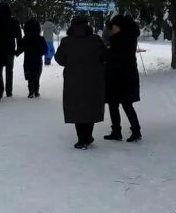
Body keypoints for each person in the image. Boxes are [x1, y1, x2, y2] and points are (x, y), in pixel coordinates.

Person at [54, 15, 107, 149]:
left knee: (77, 107)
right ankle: (88, 136)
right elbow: (105, 56)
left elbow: (60, 60)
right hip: (94, 79)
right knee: (90, 106)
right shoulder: (95, 40)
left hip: (73, 80)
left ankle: (82, 139)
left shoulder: (67, 41)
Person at [104, 14, 142, 142]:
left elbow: (116, 57)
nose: (112, 29)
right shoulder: (125, 37)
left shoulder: (121, 39)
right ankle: (118, 131)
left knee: (125, 104)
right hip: (123, 75)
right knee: (116, 104)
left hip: (123, 75)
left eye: (113, 27)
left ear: (120, 27)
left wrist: (107, 52)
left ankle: (134, 130)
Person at [0, 1, 23, 98]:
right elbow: (19, 37)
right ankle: (9, 91)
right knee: (9, 71)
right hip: (10, 50)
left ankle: (0, 89)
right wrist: (18, 50)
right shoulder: (14, 22)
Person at [19, 18, 48, 98]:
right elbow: (45, 50)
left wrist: (16, 52)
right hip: (37, 59)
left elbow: (21, 47)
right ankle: (36, 91)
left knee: (30, 76)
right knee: (37, 76)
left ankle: (31, 91)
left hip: (28, 59)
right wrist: (40, 53)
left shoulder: (26, 38)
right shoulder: (40, 38)